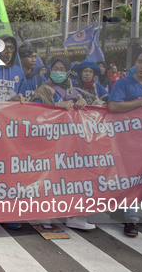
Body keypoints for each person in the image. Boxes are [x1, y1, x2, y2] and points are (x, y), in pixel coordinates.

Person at [30, 56, 95, 230]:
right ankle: (46, 215)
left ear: (67, 72)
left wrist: (82, 104)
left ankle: (76, 216)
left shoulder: (75, 92)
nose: (58, 72)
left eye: (62, 68)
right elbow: (35, 111)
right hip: (52, 142)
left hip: (74, 143)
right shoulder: (43, 90)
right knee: (51, 177)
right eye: (55, 68)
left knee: (76, 179)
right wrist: (57, 106)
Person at [108, 50, 142, 237]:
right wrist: (140, 103)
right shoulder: (123, 83)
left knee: (137, 177)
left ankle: (130, 216)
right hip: (123, 140)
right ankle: (127, 214)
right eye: (140, 62)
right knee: (126, 176)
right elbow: (113, 106)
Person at [0, 34, 26, 102]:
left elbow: (21, 95)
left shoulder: (19, 71)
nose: (8, 51)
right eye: (5, 47)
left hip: (12, 111)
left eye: (11, 48)